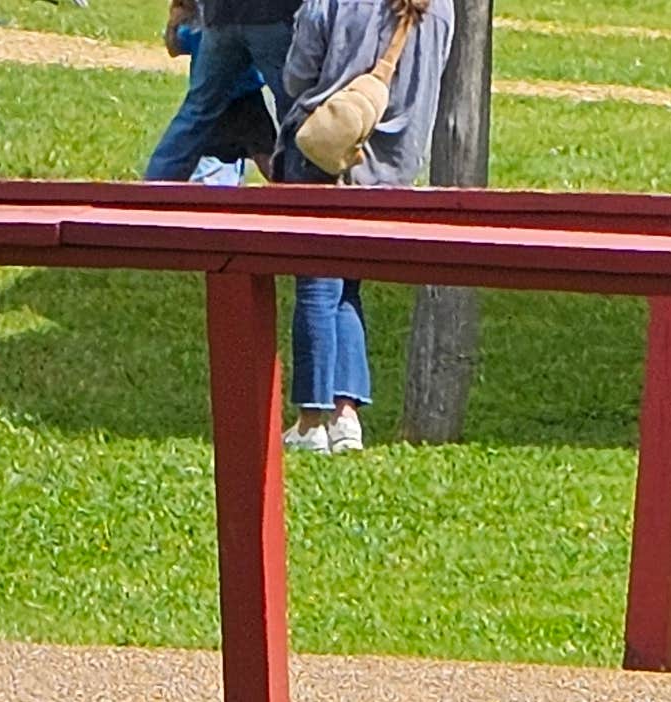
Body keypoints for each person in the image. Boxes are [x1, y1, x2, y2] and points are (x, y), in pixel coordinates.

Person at [271, 0, 452, 451]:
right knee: (347, 286)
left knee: (316, 286)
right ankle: (345, 416)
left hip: (326, 149)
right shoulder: (443, 8)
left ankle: (311, 422)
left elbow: (297, 76)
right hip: (390, 169)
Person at [143, 0, 294, 180]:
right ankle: (304, 186)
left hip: (221, 16)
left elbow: (176, 45)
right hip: (272, 15)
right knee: (295, 107)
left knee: (197, 110)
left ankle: (157, 184)